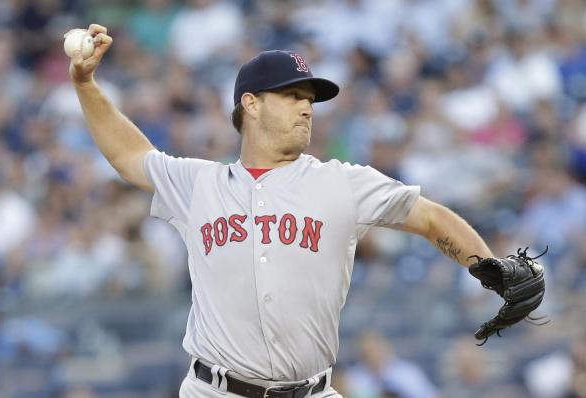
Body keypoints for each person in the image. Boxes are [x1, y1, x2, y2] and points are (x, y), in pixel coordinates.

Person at [68, 23, 493, 398]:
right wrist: (86, 85)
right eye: (292, 95)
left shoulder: (341, 182)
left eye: (309, 98)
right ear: (251, 104)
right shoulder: (199, 184)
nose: (307, 107)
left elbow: (431, 217)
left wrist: (491, 267)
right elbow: (129, 156)